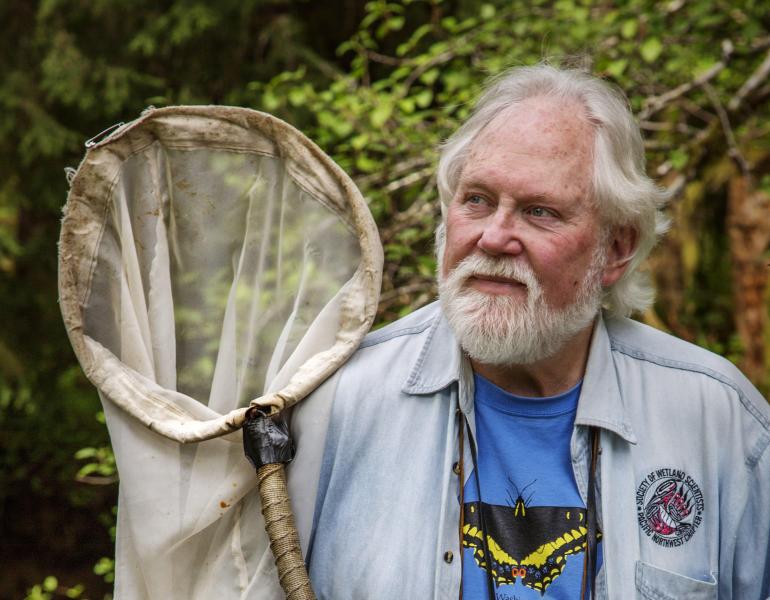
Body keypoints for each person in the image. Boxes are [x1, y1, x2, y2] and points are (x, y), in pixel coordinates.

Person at [287, 64, 770, 599]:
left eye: (539, 212)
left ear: (616, 249)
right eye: (476, 200)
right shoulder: (335, 403)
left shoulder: (721, 422)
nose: (494, 238)